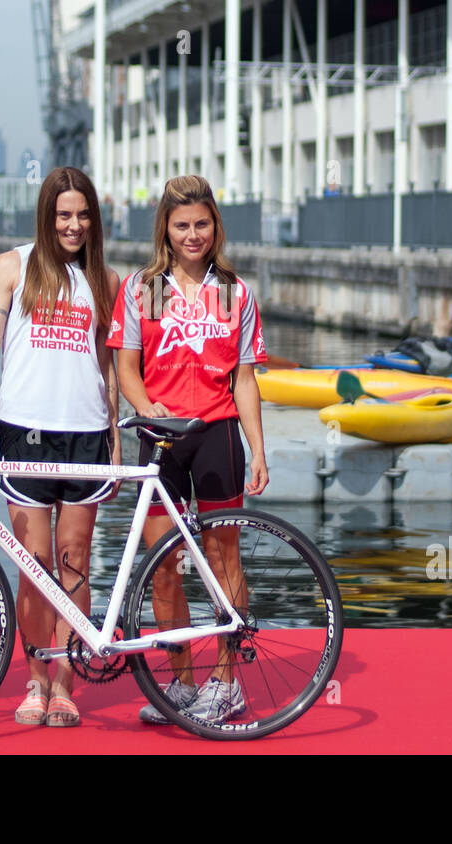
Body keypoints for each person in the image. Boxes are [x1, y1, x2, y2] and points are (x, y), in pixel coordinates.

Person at [0, 166, 120, 728]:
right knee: (34, 566)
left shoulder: (105, 281)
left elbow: (106, 370)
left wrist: (114, 433)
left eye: (83, 215)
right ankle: (35, 681)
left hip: (85, 435)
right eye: (64, 214)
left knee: (74, 563)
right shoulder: (11, 268)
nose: (74, 224)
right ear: (46, 214)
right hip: (26, 433)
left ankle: (66, 683)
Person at [105, 174, 268, 725]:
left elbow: (244, 379)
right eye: (181, 226)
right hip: (161, 438)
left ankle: (225, 681)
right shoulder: (143, 288)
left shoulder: (234, 291)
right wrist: (145, 407)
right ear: (166, 231)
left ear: (214, 226)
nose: (192, 235)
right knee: (164, 565)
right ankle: (181, 681)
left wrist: (258, 448)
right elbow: (125, 368)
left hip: (218, 435)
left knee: (224, 559)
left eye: (201, 224)